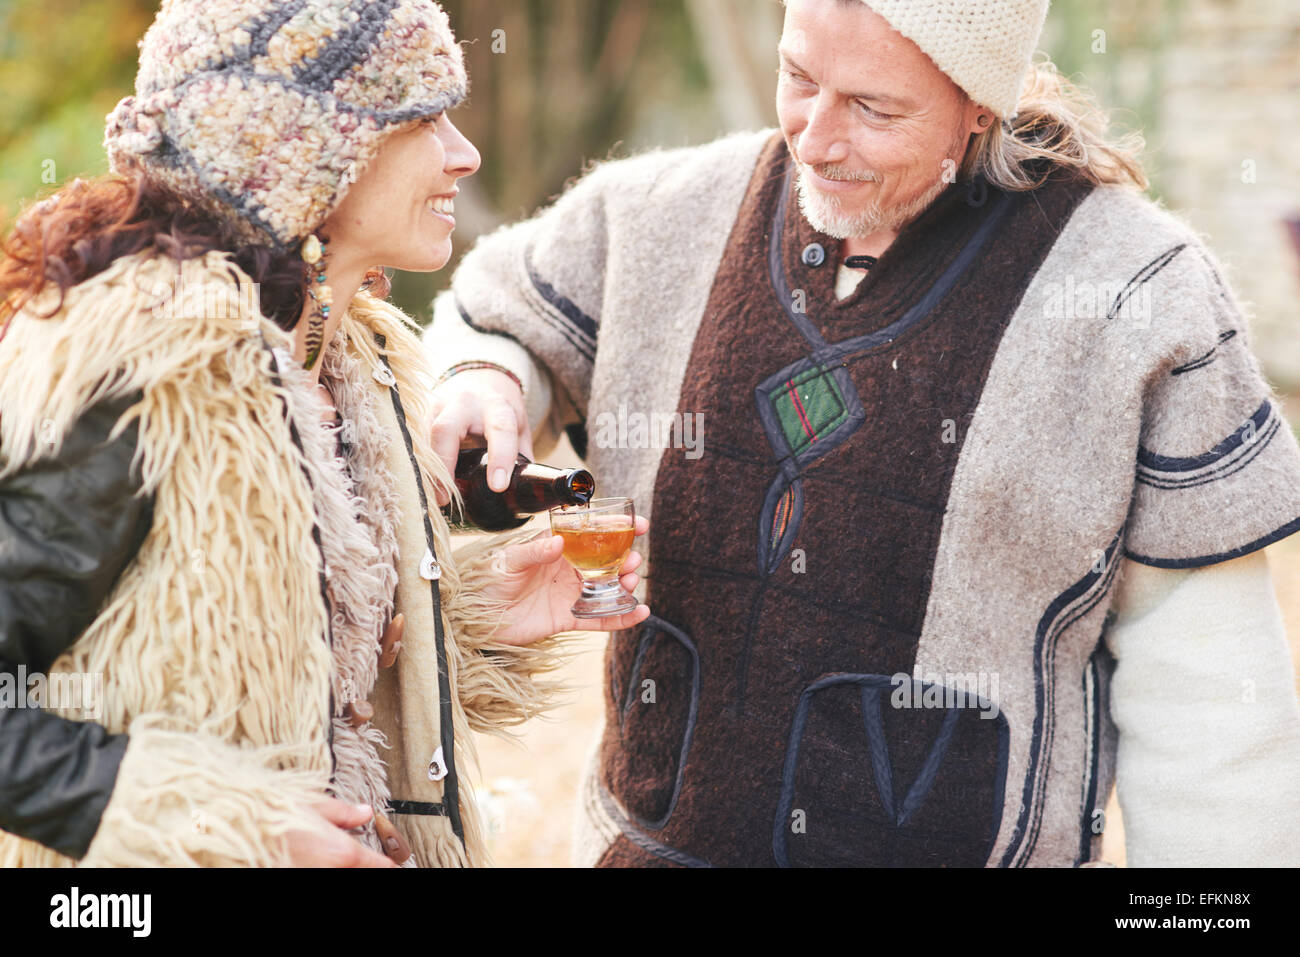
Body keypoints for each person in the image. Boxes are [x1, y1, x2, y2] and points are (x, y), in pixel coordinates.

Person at [423, 0, 1300, 867]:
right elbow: (492, 316)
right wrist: (487, 377)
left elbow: (1214, 708)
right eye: (798, 76)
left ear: (978, 104)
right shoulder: (657, 214)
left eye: (874, 109)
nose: (813, 137)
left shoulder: (1137, 296)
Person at [0, 0, 648, 868]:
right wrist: (231, 820)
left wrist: (481, 613)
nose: (467, 153)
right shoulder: (147, 368)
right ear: (306, 155)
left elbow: (295, 650)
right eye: (425, 121)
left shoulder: (355, 358)